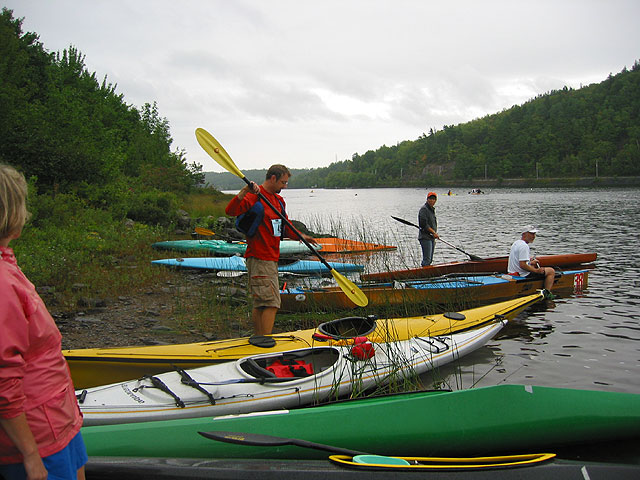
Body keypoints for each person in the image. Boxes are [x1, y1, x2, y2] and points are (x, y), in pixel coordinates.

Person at [0, 164, 87, 480]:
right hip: (38, 435)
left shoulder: (7, 264)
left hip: (58, 418)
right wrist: (30, 454)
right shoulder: (1, 282)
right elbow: (3, 378)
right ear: (11, 214)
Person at [225, 165, 316, 336]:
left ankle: (259, 338)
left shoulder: (278, 201)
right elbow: (230, 211)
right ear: (273, 178)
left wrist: (302, 236)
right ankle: (265, 340)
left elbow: (285, 226)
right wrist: (244, 191)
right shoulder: (254, 196)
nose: (285, 186)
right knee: (271, 303)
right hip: (259, 257)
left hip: (271, 258)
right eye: (283, 182)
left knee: (262, 303)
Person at [508, 225, 556, 299]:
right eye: (531, 234)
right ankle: (547, 293)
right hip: (521, 275)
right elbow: (522, 265)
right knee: (551, 271)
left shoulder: (516, 243)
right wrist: (536, 271)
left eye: (534, 234)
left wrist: (530, 263)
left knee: (533, 266)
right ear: (524, 234)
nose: (533, 236)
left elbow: (520, 261)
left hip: (512, 272)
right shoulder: (524, 246)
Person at [418, 192, 439, 266]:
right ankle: (423, 272)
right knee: (427, 260)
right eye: (430, 199)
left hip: (431, 237)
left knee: (430, 260)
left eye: (433, 199)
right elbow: (424, 224)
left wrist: (434, 234)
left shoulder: (431, 210)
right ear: (427, 199)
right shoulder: (424, 209)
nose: (432, 200)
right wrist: (433, 232)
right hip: (425, 237)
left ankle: (427, 270)